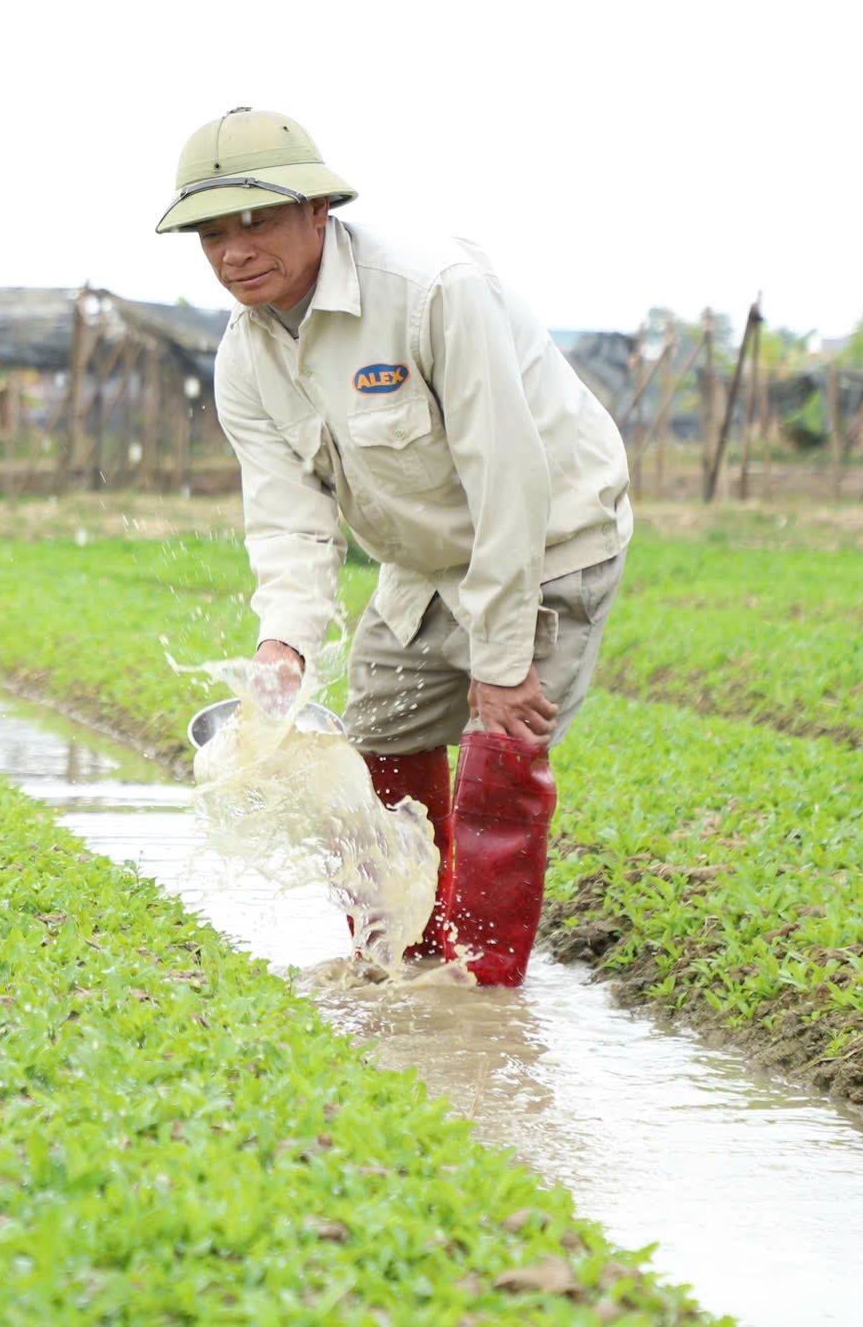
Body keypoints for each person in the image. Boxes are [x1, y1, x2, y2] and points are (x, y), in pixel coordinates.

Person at [158, 107, 632, 985]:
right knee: (374, 748)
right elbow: (288, 521)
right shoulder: (245, 358)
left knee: (502, 747)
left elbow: (508, 476)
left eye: (257, 220)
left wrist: (501, 654)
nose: (234, 250)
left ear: (319, 211)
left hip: (549, 538)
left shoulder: (430, 290)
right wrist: (285, 647)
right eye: (212, 233)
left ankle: (482, 992)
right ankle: (399, 965)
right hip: (421, 562)